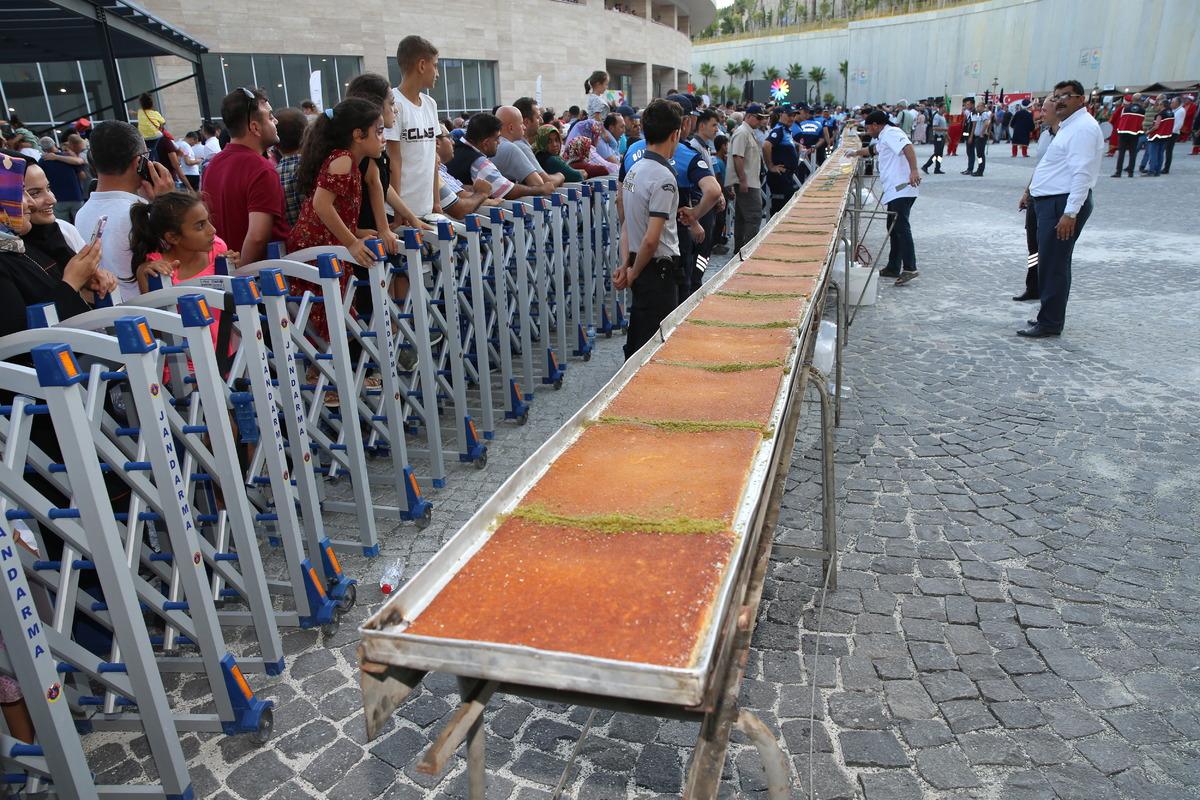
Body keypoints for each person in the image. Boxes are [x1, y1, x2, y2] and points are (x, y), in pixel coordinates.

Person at [286, 97, 385, 365]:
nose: (383, 138)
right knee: (329, 315)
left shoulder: (346, 160)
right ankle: (332, 372)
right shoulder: (343, 160)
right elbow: (321, 205)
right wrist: (352, 242)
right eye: (378, 131)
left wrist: (356, 231)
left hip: (323, 244)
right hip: (316, 249)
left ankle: (335, 371)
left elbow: (334, 207)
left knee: (333, 313)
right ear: (358, 134)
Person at [1021, 80, 1103, 338]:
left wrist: (1070, 213)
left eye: (1066, 96)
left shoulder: (1082, 128)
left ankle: (1050, 322)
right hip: (1050, 202)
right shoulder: (1069, 127)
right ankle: (1048, 314)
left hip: (1061, 204)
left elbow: (1082, 173)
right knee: (1049, 261)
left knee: (1054, 264)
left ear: (1081, 99)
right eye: (1056, 97)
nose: (1059, 101)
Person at [73, 121, 175, 300]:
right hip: (150, 311)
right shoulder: (140, 212)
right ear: (139, 162)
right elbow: (179, 257)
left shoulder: (82, 213)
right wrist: (168, 201)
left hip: (108, 311)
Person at [613, 99, 681, 360]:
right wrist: (633, 272)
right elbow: (652, 240)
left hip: (638, 265)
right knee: (653, 349)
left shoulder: (634, 169)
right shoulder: (663, 177)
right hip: (656, 273)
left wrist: (626, 265)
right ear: (675, 134)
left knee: (638, 338)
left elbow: (627, 224)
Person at [202, 88, 290, 265]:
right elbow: (258, 237)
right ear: (255, 127)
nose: (276, 121)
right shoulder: (262, 169)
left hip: (224, 270)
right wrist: (242, 273)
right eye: (270, 117)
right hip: (261, 275)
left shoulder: (212, 165)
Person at [850, 110, 920, 285]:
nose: (868, 132)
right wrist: (855, 153)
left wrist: (914, 171)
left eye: (868, 128)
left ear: (875, 125)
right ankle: (893, 266)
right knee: (893, 227)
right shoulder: (884, 137)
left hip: (901, 188)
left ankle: (910, 267)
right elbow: (873, 150)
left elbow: (908, 147)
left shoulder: (892, 133)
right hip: (894, 189)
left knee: (901, 227)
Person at [130, 191, 237, 296]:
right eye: (200, 226)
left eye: (208, 220)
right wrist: (153, 281)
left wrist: (235, 269)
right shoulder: (153, 270)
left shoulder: (218, 248)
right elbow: (154, 306)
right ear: (173, 237)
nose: (213, 230)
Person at [385, 36, 442, 220]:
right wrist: (399, 211)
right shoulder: (393, 103)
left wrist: (436, 202)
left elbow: (433, 157)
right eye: (435, 66)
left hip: (425, 208)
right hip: (399, 210)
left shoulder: (430, 104)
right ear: (422, 65)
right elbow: (394, 160)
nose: (437, 73)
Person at [1014, 95, 1059, 302]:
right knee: (1033, 246)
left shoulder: (1066, 135)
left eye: (1045, 110)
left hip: (1053, 198)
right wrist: (1027, 191)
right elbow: (1040, 168)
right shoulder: (1044, 135)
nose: (1041, 114)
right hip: (1036, 195)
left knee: (1049, 248)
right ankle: (1033, 286)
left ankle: (1048, 290)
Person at [445, 113, 546, 200]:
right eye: (497, 138)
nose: (499, 142)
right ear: (486, 143)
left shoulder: (454, 149)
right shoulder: (478, 162)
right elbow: (506, 190)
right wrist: (540, 189)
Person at [434, 125, 498, 220]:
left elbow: (461, 191)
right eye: (449, 137)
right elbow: (459, 207)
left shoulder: (441, 169)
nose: (453, 142)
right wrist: (482, 194)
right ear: (437, 142)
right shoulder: (436, 172)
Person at [727, 103, 767, 252]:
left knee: (743, 218)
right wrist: (743, 180)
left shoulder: (747, 132)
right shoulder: (742, 133)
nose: (761, 121)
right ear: (749, 116)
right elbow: (738, 157)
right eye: (758, 118)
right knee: (754, 216)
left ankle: (740, 251)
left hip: (749, 181)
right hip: (747, 183)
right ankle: (747, 251)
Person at [493, 105, 561, 190]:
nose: (524, 127)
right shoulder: (511, 148)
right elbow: (540, 184)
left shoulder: (495, 145)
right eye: (521, 124)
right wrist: (560, 176)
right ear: (511, 128)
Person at [273, 108, 307, 226]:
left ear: (276, 144)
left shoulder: (272, 175)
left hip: (288, 236)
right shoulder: (316, 168)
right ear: (307, 136)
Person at [763, 106, 799, 215]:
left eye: (793, 115)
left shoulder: (785, 130)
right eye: (789, 115)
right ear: (781, 115)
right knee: (779, 210)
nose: (792, 118)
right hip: (780, 177)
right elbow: (766, 145)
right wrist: (770, 166)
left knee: (787, 207)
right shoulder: (779, 130)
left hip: (786, 176)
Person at [1112, 94, 1144, 177]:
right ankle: (1130, 172)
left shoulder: (1126, 108)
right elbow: (1141, 123)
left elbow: (1121, 120)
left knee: (1121, 153)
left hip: (1123, 132)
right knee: (1132, 153)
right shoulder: (1142, 110)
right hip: (1134, 134)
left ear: (1132, 99)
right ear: (1140, 100)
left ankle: (1118, 172)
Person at [1144, 101, 1174, 177]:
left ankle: (1151, 170)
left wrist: (1148, 131)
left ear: (1162, 105)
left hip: (1156, 136)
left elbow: (1156, 126)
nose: (1158, 106)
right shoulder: (1171, 113)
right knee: (1160, 154)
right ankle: (1157, 171)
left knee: (1153, 154)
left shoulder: (1160, 114)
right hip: (1165, 136)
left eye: (1159, 105)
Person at [963, 97, 991, 176]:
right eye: (977, 106)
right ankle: (979, 169)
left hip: (981, 137)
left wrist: (982, 132)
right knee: (979, 155)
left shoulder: (984, 114)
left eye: (979, 106)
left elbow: (987, 123)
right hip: (977, 136)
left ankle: (980, 170)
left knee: (980, 155)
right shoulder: (979, 114)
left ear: (983, 107)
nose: (977, 107)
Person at [921, 105, 948, 174]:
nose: (945, 109)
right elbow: (934, 127)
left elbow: (944, 127)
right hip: (938, 136)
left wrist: (947, 136)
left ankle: (937, 168)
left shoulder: (943, 116)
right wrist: (944, 129)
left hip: (942, 136)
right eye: (944, 108)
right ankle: (926, 166)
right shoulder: (937, 116)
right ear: (940, 108)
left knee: (940, 154)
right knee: (936, 154)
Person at [1162, 96, 1185, 175]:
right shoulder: (1173, 110)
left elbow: (1179, 124)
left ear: (1177, 103)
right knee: (1166, 150)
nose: (1171, 104)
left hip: (1173, 133)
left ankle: (1166, 168)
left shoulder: (1181, 111)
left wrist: (1171, 132)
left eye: (1173, 102)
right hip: (1169, 132)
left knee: (1168, 151)